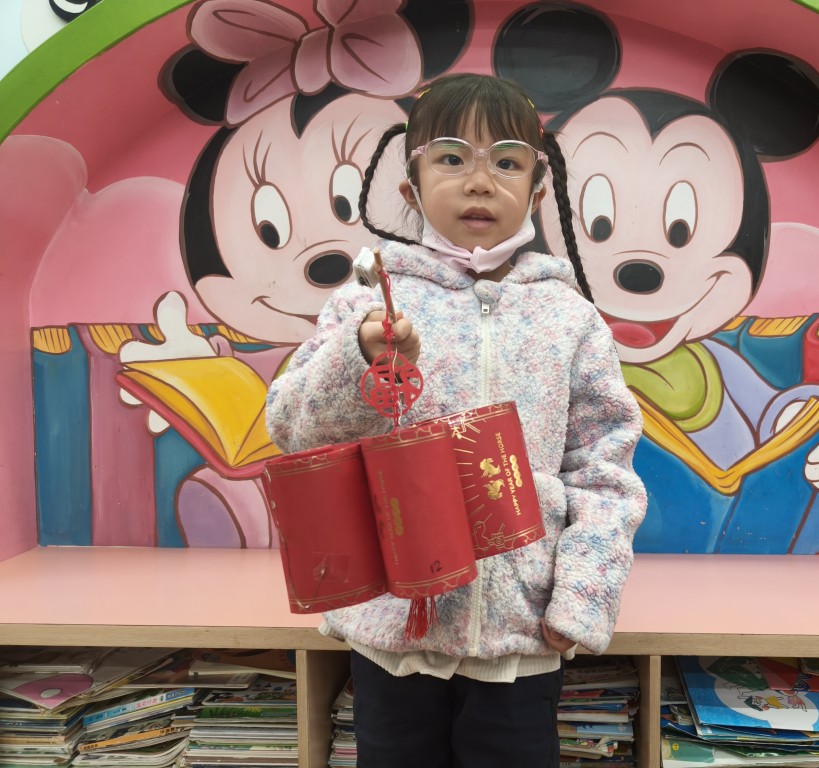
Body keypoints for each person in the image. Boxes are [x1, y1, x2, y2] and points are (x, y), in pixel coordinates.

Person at [265, 73, 647, 768]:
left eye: (507, 161)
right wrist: (360, 357)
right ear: (411, 189)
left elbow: (604, 471)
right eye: (450, 157)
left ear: (536, 191)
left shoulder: (569, 318)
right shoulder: (364, 306)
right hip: (393, 628)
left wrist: (581, 598)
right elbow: (292, 429)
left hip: (520, 637)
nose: (479, 181)